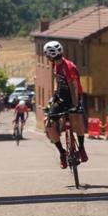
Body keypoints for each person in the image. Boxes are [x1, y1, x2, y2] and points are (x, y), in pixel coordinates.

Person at [42, 40, 88, 168]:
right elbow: (57, 82)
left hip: (74, 96)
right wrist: (54, 97)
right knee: (49, 124)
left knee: (76, 118)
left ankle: (82, 149)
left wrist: (74, 106)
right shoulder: (55, 65)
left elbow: (74, 88)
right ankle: (62, 153)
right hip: (61, 97)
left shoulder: (69, 67)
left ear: (49, 55)